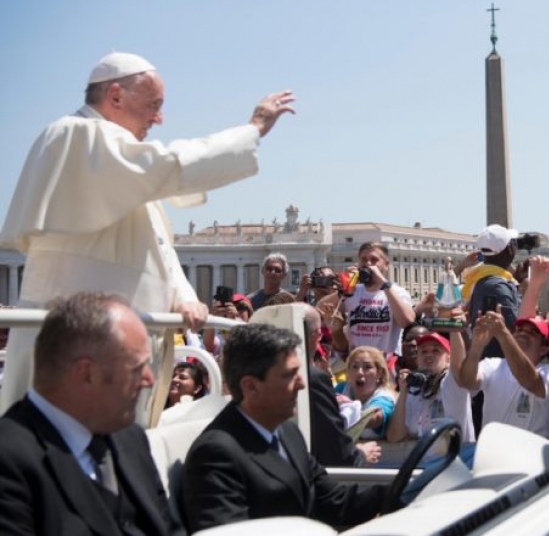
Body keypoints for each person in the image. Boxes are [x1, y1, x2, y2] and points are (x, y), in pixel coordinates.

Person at [0, 51, 294, 413]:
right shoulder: (75, 135)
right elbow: (165, 165)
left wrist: (185, 296)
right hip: (78, 356)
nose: (159, 117)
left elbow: (159, 252)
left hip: (121, 358)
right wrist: (253, 129)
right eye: (154, 104)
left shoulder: (119, 167)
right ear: (116, 96)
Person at [0, 291, 183, 535]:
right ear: (87, 374)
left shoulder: (130, 438)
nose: (149, 380)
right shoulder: (10, 461)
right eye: (138, 368)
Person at [181, 323, 385, 532]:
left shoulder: (287, 432)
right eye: (289, 375)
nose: (302, 384)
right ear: (250, 387)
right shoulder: (216, 455)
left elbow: (331, 499)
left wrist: (399, 493)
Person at [293, 302, 381, 466]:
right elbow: (333, 448)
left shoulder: (263, 371)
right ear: (318, 335)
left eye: (367, 367)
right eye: (354, 366)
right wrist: (360, 454)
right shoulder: (313, 378)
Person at [453, 314, 549, 438]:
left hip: (530, 455)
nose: (523, 333)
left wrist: (502, 334)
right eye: (519, 329)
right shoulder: (492, 364)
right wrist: (477, 347)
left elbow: (529, 380)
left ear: (543, 349)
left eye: (532, 332)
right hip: (489, 454)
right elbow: (466, 382)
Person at [329, 242, 415, 357]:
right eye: (363, 260)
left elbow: (406, 321)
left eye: (374, 260)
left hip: (387, 363)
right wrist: (343, 291)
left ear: (386, 264)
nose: (368, 264)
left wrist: (384, 284)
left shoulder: (397, 292)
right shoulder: (352, 292)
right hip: (357, 362)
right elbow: (319, 311)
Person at [388, 330, 475, 444]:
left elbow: (458, 365)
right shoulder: (413, 391)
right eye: (423, 351)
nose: (429, 354)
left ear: (448, 359)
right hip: (425, 459)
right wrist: (403, 391)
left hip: (457, 457)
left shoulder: (452, 383)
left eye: (436, 350)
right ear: (417, 359)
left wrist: (454, 328)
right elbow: (395, 436)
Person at [464, 224, 521, 358]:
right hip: (501, 363)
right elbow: (516, 329)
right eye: (513, 243)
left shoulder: (478, 277)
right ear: (509, 249)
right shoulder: (496, 286)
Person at [336, 346, 396, 440]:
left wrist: (349, 408)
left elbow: (376, 418)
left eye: (367, 367)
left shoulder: (384, 396)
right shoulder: (341, 389)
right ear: (348, 371)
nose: (359, 372)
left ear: (379, 373)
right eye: (355, 367)